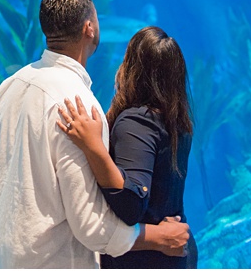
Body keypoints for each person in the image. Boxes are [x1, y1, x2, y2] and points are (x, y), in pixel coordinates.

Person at [0, 0, 190, 268]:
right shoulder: (79, 106)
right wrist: (158, 237)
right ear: (89, 28)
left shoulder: (11, 86)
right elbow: (91, 226)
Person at [58, 26, 196, 268]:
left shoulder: (137, 121)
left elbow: (131, 205)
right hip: (174, 257)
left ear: (132, 67)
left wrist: (93, 147)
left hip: (144, 260)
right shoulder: (178, 123)